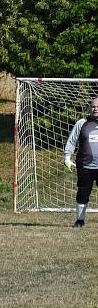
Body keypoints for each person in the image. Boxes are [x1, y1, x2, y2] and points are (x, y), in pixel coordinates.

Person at [64, 97, 98, 227]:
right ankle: (80, 220)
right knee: (83, 193)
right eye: (93, 106)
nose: (95, 109)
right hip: (85, 166)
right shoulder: (81, 123)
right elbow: (72, 141)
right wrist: (67, 157)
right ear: (90, 108)